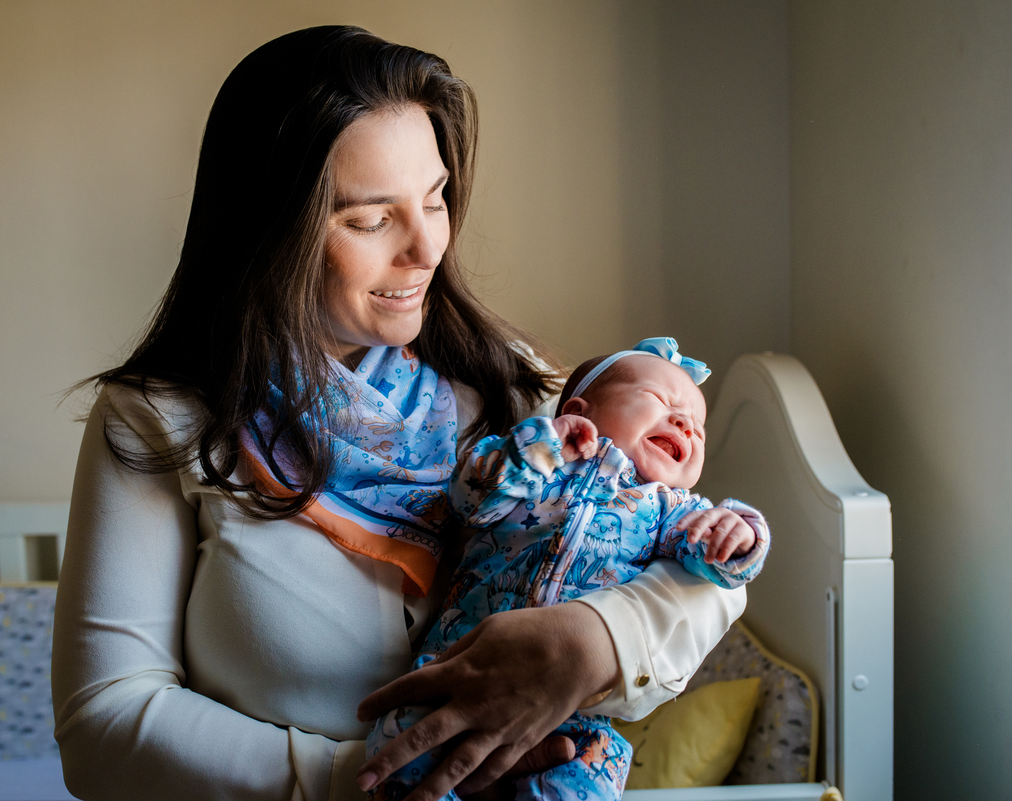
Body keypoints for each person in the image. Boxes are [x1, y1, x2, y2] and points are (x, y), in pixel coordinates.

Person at [51, 26, 746, 801]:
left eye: (436, 198)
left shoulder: (520, 389)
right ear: (266, 232)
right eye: (370, 218)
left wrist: (596, 641)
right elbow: (102, 725)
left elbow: (709, 563)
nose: (427, 249)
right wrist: (369, 780)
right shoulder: (157, 421)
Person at [367, 338, 769, 801]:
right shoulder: (539, 471)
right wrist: (540, 444)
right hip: (460, 669)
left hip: (579, 717)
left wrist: (737, 534)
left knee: (589, 778)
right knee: (405, 745)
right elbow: (469, 500)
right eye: (662, 401)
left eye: (698, 427)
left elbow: (715, 571)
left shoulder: (670, 511)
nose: (686, 424)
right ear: (580, 410)